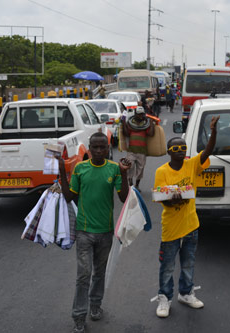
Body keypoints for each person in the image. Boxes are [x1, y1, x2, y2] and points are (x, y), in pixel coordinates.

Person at [58, 132, 131, 333]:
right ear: (89, 149)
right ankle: (79, 316)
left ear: (109, 149)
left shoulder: (115, 169)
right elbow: (68, 196)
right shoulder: (81, 168)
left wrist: (124, 174)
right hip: (83, 231)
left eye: (103, 147)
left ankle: (95, 305)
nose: (99, 151)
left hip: (105, 232)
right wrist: (62, 172)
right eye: (95, 148)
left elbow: (124, 198)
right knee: (84, 275)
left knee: (99, 273)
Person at [152, 115, 220, 318]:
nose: (181, 151)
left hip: (191, 224)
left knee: (188, 263)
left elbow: (208, 151)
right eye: (176, 148)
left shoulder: (192, 165)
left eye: (183, 148)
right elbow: (160, 197)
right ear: (169, 152)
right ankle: (164, 298)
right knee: (168, 266)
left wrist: (213, 131)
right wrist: (175, 200)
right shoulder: (161, 171)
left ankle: (186, 293)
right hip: (171, 227)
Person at [122, 107, 155, 191]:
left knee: (140, 169)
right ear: (135, 114)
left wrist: (151, 123)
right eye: (139, 114)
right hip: (131, 151)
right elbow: (126, 134)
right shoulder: (130, 124)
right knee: (130, 166)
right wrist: (123, 123)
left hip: (142, 151)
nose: (140, 116)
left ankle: (137, 185)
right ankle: (130, 184)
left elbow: (151, 134)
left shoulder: (145, 124)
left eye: (142, 114)